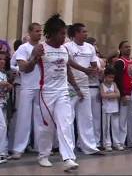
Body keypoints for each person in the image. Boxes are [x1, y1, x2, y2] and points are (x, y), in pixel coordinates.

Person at [31, 14, 83, 171]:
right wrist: (34, 57)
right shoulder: (41, 48)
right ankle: (43, 155)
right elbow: (25, 68)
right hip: (46, 93)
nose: (64, 37)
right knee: (46, 127)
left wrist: (76, 87)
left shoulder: (65, 49)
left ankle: (68, 158)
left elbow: (67, 70)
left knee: (65, 122)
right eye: (62, 33)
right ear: (52, 33)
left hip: (62, 92)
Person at [64, 23, 104, 155]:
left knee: (87, 116)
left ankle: (89, 147)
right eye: (83, 32)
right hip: (70, 85)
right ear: (75, 33)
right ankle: (68, 148)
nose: (86, 34)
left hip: (85, 85)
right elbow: (68, 62)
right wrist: (84, 70)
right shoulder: (67, 47)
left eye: (86, 31)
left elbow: (93, 64)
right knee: (69, 117)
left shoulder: (90, 47)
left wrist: (95, 70)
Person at [11, 23, 42, 159]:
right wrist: (34, 57)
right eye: (37, 31)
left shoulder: (44, 47)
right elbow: (22, 67)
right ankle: (18, 148)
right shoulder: (23, 48)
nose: (40, 33)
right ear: (30, 32)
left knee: (40, 119)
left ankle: (39, 146)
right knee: (23, 118)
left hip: (41, 86)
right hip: (27, 86)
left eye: (41, 31)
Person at [114, 41, 132, 148]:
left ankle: (131, 141)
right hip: (125, 94)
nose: (128, 48)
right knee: (122, 119)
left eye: (129, 47)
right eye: (126, 47)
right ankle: (121, 142)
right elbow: (118, 79)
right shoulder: (120, 62)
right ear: (121, 49)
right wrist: (122, 94)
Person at [86, 37, 106, 148]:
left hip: (96, 87)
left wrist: (101, 71)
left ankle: (97, 141)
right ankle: (83, 141)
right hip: (86, 87)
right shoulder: (83, 57)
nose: (96, 47)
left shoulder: (99, 59)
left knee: (96, 117)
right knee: (86, 117)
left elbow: (101, 77)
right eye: (94, 44)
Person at [100, 67, 121, 151]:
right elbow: (103, 95)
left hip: (114, 108)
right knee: (106, 127)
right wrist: (113, 94)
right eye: (109, 77)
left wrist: (109, 94)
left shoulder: (114, 84)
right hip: (106, 109)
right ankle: (107, 143)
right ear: (105, 76)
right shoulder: (102, 85)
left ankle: (116, 143)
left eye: (112, 77)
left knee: (115, 126)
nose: (111, 79)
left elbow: (118, 94)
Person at [0, 51, 13, 164]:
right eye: (0, 59)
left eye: (4, 59)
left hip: (3, 104)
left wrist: (8, 86)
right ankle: (1, 153)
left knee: (4, 126)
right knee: (2, 127)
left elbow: (7, 87)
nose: (2, 61)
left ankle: (3, 152)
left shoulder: (4, 73)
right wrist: (3, 84)